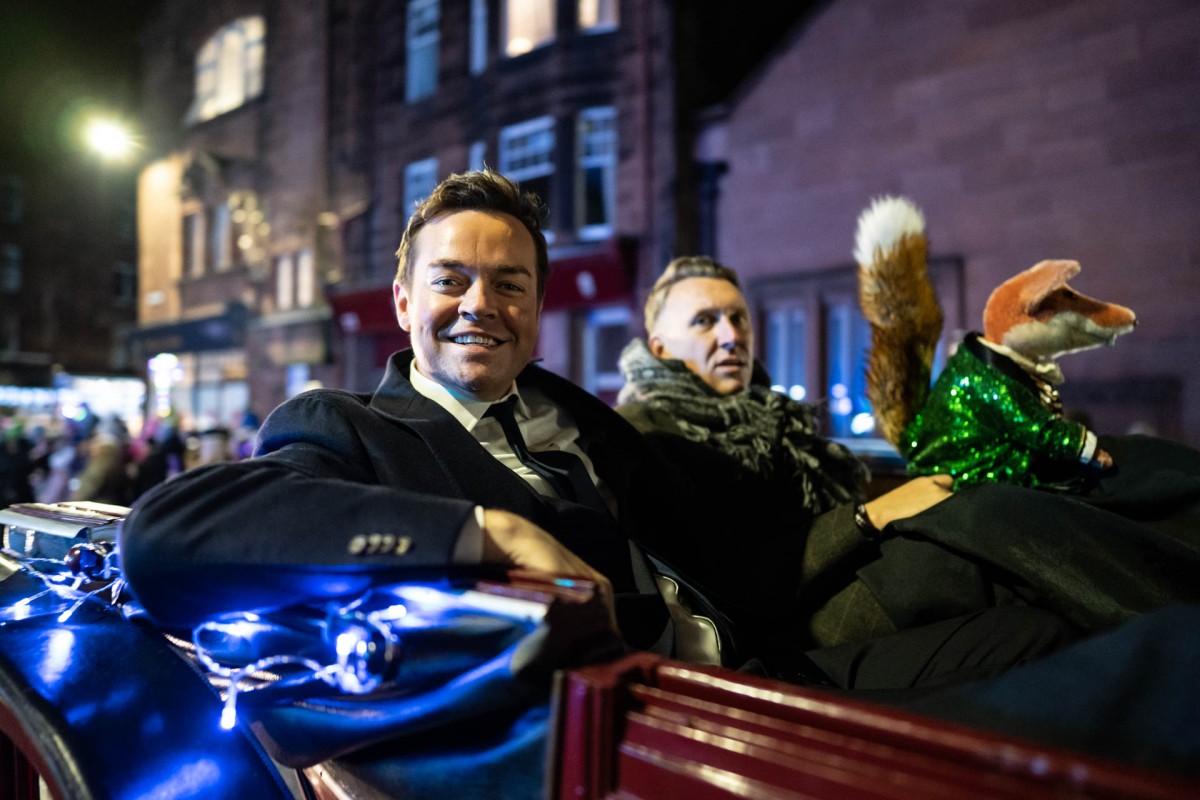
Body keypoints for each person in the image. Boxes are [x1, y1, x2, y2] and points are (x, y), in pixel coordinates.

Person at [117, 171, 1114, 795]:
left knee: (1061, 610)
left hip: (758, 656)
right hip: (656, 733)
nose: (480, 304)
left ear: (540, 303)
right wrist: (484, 532)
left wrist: (891, 497)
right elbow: (168, 532)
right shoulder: (346, 425)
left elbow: (731, 528)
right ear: (401, 299)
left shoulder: (580, 417)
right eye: (452, 279)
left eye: (509, 283)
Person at [616, 256, 1200, 670]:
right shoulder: (650, 434)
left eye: (738, 318)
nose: (731, 335)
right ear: (659, 345)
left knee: (1095, 472)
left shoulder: (775, 419)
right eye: (705, 321)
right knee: (992, 520)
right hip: (796, 619)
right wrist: (872, 516)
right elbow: (730, 577)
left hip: (843, 572)